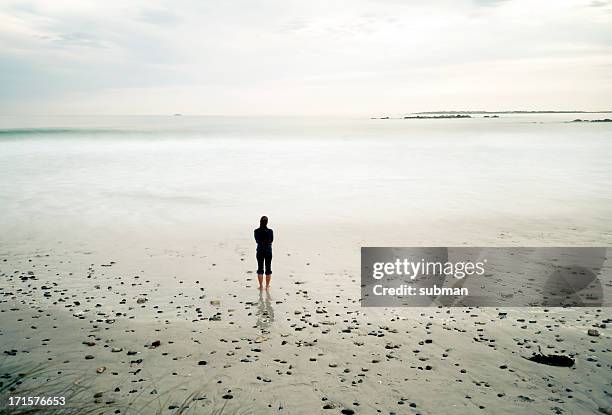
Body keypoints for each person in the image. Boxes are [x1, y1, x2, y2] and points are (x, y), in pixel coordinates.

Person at [254, 216, 273, 290]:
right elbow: (271, 240)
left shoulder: (256, 231)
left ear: (260, 222)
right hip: (268, 250)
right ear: (267, 222)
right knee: (268, 268)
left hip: (260, 250)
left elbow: (257, 241)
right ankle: (267, 286)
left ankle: (261, 286)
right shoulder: (270, 231)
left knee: (260, 268)